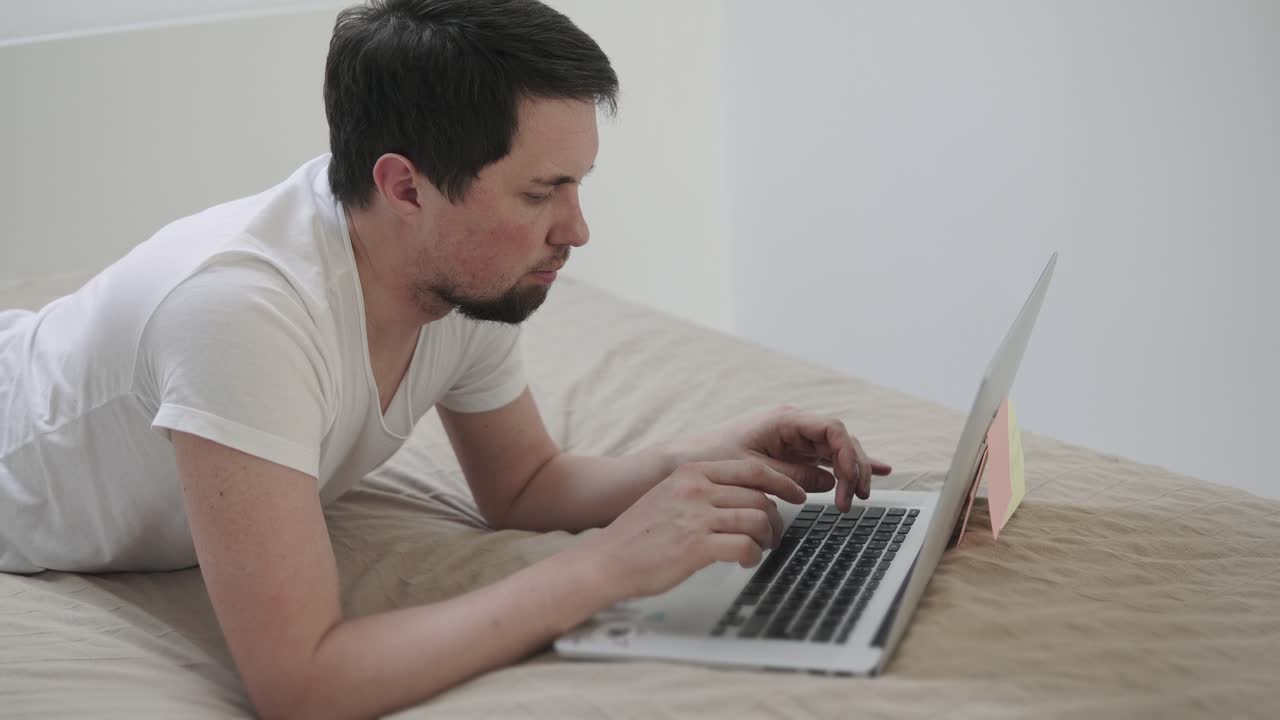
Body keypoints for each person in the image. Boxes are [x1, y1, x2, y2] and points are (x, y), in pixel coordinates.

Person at [0, 0, 891, 717]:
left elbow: (527, 484)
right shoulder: (241, 317)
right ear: (403, 186)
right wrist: (602, 567)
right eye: (542, 193)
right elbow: (303, 685)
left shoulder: (463, 277)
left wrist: (718, 450)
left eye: (577, 186)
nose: (576, 231)